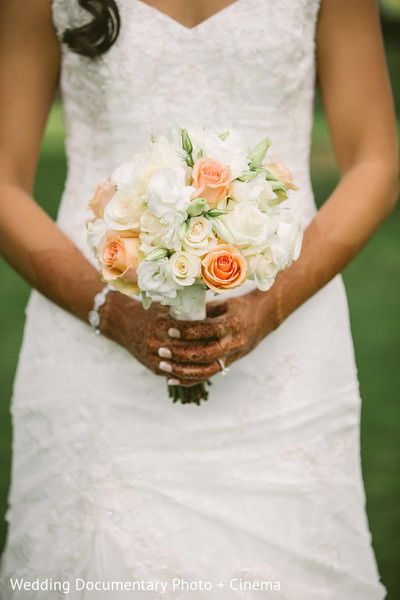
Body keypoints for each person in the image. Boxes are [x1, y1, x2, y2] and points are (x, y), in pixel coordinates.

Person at [0, 0, 398, 598]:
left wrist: (273, 302)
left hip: (288, 360)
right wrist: (108, 309)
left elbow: (376, 160)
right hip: (89, 353)